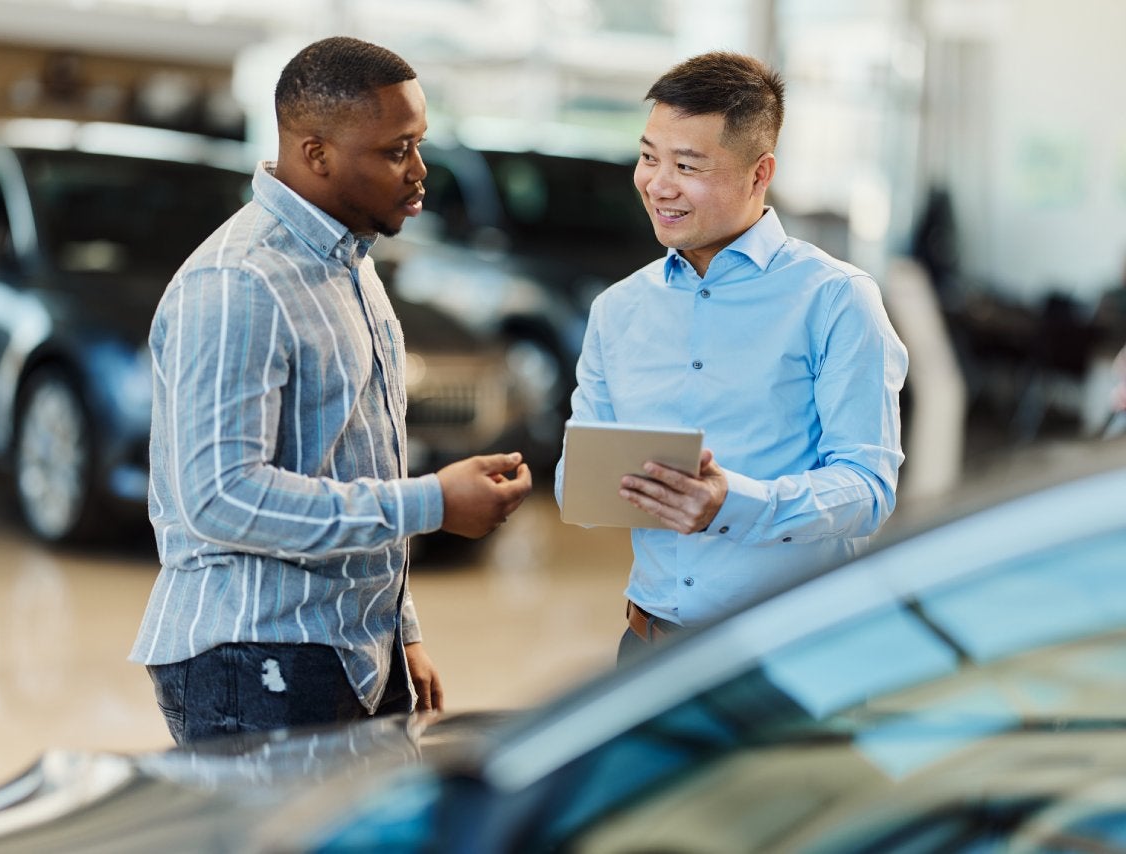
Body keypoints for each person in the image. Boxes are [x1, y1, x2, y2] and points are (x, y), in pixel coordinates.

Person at [131, 36, 532, 745]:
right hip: (255, 657)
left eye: (419, 144)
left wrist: (399, 632)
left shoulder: (349, 264)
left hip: (348, 651)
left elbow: (354, 462)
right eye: (395, 150)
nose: (419, 171)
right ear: (316, 154)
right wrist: (433, 502)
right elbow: (220, 498)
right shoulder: (240, 282)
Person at [555, 51, 908, 661]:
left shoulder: (835, 299)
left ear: (758, 172)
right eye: (648, 157)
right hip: (649, 644)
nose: (658, 185)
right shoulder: (618, 309)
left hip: (792, 654)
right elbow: (576, 483)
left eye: (687, 165)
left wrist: (734, 504)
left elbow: (869, 488)